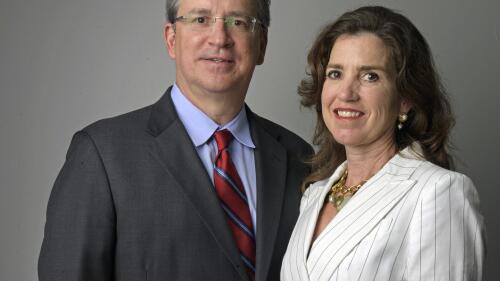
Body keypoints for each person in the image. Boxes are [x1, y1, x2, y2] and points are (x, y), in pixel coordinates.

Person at [38, 0, 313, 280]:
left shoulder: (298, 158)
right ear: (171, 39)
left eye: (238, 22)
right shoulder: (102, 154)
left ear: (262, 44)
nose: (219, 38)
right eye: (200, 20)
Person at [281, 6, 485, 281]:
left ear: (405, 97)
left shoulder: (438, 193)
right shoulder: (314, 195)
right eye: (335, 73)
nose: (345, 93)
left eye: (370, 76)